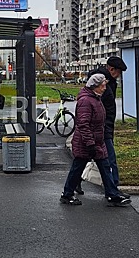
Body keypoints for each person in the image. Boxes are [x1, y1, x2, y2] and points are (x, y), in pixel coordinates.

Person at [60, 74, 131, 206]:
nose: (105, 88)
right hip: (86, 142)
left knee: (105, 166)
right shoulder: (86, 101)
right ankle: (67, 194)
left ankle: (112, 195)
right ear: (95, 86)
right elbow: (83, 124)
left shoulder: (95, 98)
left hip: (97, 141)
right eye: (102, 85)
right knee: (77, 168)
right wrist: (90, 144)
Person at [76, 56, 129, 197]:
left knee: (89, 159)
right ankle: (113, 190)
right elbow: (98, 108)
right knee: (108, 160)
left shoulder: (108, 81)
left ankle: (76, 182)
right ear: (112, 69)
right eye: (118, 72)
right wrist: (104, 129)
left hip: (104, 127)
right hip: (101, 128)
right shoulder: (101, 83)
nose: (119, 76)